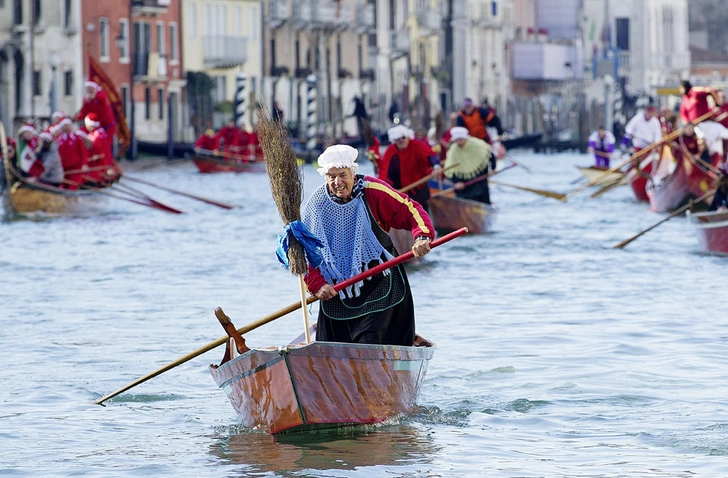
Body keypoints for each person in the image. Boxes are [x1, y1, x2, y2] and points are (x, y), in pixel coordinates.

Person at [301, 144, 434, 346]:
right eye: (331, 176)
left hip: (379, 280)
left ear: (353, 173)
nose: (337, 182)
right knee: (328, 345)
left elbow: (410, 209)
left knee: (369, 339)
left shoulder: (373, 191)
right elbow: (303, 252)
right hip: (336, 288)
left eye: (343, 175)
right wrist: (317, 284)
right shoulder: (316, 204)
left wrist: (422, 235)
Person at [378, 124, 441, 211]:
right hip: (399, 192)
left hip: (418, 188)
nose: (401, 140)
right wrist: (386, 188)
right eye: (397, 139)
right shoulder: (390, 151)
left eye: (403, 137)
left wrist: (436, 167)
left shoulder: (417, 145)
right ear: (394, 140)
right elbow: (384, 171)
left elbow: (430, 155)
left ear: (407, 137)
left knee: (422, 213)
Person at [443, 127, 493, 204]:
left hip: (479, 182)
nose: (459, 143)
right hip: (463, 186)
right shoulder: (454, 149)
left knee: (481, 199)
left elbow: (490, 155)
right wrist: (456, 182)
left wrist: (493, 169)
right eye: (456, 140)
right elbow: (450, 168)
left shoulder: (478, 145)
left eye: (460, 140)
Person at [679, 80, 725, 164]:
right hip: (695, 128)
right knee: (699, 146)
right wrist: (689, 126)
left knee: (711, 147)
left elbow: (711, 91)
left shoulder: (696, 91)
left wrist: (717, 104)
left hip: (706, 124)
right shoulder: (685, 99)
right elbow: (683, 114)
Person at [456, 98, 503, 170]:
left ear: (472, 105)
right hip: (470, 141)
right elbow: (459, 130)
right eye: (466, 107)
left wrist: (500, 133)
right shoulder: (461, 116)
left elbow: (495, 120)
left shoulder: (480, 111)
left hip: (482, 138)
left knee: (488, 154)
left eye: (469, 106)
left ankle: (492, 170)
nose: (468, 108)